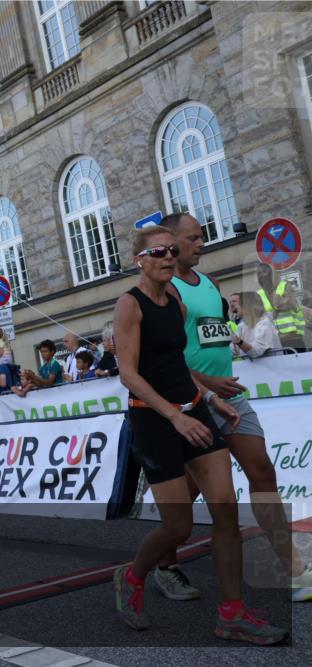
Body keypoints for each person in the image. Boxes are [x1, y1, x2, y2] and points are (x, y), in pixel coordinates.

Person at [113, 225, 287, 643]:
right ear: (140, 259)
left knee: (225, 511)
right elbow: (129, 375)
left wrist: (207, 400)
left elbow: (176, 364)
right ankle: (133, 576)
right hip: (154, 421)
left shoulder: (175, 300)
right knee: (178, 526)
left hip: (194, 411)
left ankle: (232, 613)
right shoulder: (129, 305)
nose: (169, 256)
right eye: (159, 251)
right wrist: (174, 417)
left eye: (173, 250)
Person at [162, 213, 312, 603]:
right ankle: (159, 565)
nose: (202, 243)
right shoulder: (168, 291)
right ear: (171, 240)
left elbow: (215, 338)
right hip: (194, 402)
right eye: (194, 238)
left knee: (263, 472)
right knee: (190, 497)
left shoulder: (210, 284)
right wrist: (207, 385)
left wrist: (222, 376)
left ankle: (293, 569)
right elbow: (165, 357)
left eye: (202, 237)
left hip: (231, 399)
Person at [256, 264, 305, 352]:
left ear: (272, 273)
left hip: (293, 339)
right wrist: (280, 303)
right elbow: (260, 317)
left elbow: (289, 305)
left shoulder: (285, 285)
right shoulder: (259, 294)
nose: (261, 276)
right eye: (259, 273)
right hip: (275, 343)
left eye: (264, 272)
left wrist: (275, 308)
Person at [232, 291, 282, 359]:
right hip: (251, 368)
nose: (236, 306)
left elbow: (256, 352)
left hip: (271, 368)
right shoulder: (242, 325)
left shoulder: (265, 324)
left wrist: (239, 342)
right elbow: (233, 350)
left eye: (239, 304)